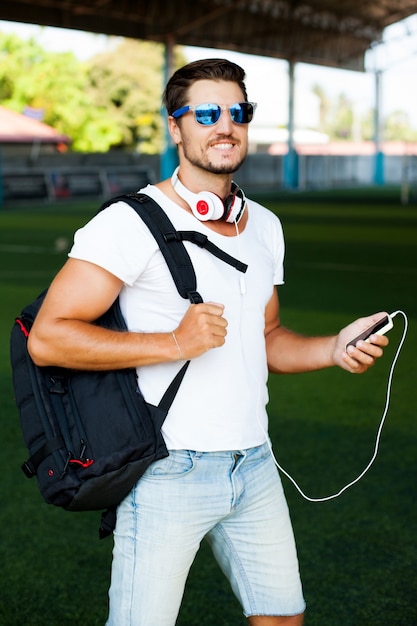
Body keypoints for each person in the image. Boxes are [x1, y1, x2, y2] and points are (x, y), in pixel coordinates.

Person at [28, 58, 389, 626]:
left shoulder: (265, 227)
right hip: (168, 469)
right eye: (206, 113)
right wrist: (174, 341)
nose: (225, 125)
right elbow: (48, 339)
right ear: (176, 126)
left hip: (255, 464)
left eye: (237, 112)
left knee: (282, 619)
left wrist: (332, 349)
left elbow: (267, 335)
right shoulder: (128, 223)